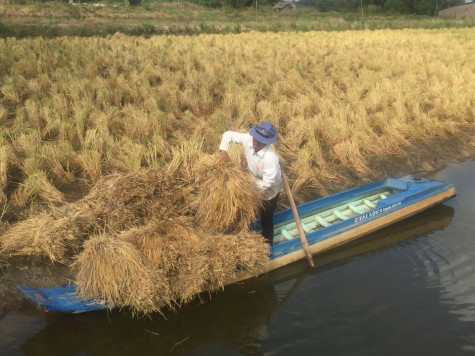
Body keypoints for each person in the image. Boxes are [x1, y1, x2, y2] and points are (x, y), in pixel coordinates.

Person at [218, 122, 283, 245]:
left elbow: (268, 183)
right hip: (253, 182)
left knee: (266, 217)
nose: (255, 143)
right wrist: (224, 151)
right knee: (249, 210)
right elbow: (228, 135)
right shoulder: (249, 138)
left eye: (260, 141)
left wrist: (246, 187)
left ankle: (267, 245)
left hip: (270, 191)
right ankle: (245, 233)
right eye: (255, 138)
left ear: (267, 143)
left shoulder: (271, 159)